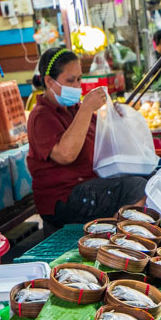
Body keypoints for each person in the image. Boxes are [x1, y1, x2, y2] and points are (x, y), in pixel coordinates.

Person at [26, 47, 148, 225]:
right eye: (70, 80)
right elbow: (66, 155)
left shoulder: (76, 109)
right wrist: (86, 108)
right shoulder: (41, 116)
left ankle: (119, 234)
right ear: (49, 82)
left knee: (149, 177)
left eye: (79, 79)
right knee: (136, 187)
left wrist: (116, 120)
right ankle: (113, 239)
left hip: (90, 185)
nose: (77, 85)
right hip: (63, 199)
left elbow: (104, 141)